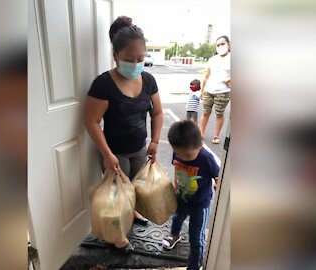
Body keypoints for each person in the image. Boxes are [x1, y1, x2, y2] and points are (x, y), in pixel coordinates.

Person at [84, 16, 163, 251]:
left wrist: (156, 141)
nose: (136, 63)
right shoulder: (103, 84)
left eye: (141, 58)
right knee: (117, 197)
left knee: (136, 189)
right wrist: (107, 154)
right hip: (114, 151)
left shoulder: (148, 80)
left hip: (140, 147)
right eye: (129, 59)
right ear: (115, 55)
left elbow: (157, 113)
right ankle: (118, 237)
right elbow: (91, 120)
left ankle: (135, 213)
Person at [162, 120, 219, 270]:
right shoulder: (179, 151)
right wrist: (175, 185)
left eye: (187, 155)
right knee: (177, 217)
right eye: (179, 153)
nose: (183, 157)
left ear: (200, 145)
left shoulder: (206, 158)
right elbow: (176, 166)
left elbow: (218, 176)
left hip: (200, 203)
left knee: (196, 237)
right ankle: (175, 235)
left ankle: (194, 265)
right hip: (182, 196)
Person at [200, 36, 231, 144]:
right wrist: (202, 90)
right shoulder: (213, 59)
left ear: (228, 44)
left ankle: (216, 136)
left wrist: (229, 79)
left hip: (223, 91)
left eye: (222, 44)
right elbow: (207, 75)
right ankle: (201, 134)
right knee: (205, 113)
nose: (220, 46)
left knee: (219, 114)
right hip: (209, 90)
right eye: (218, 45)